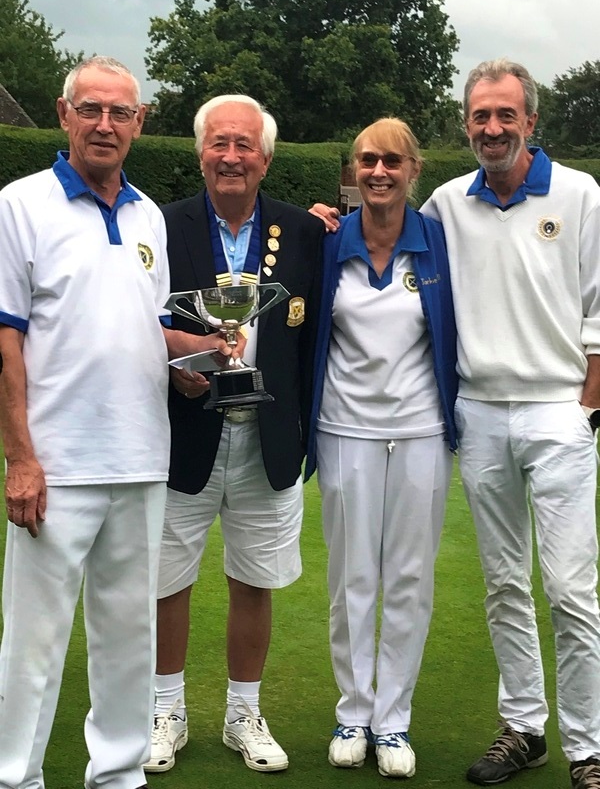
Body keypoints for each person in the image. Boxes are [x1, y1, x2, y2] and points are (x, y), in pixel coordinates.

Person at [312, 57, 600, 789]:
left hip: (557, 408)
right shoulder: (445, 206)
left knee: (568, 587)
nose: (493, 128)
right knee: (505, 584)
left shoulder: (579, 194)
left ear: (530, 120)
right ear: (465, 125)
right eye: (481, 116)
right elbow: (378, 223)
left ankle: (589, 745)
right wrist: (321, 220)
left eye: (507, 115)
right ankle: (525, 728)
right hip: (475, 412)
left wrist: (587, 409)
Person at [0, 55, 231, 789]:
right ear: (65, 114)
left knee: (130, 637)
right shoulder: (19, 205)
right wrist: (21, 458)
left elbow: (149, 325)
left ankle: (120, 777)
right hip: (57, 466)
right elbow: (6, 338)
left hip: (140, 458)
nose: (105, 124)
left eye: (120, 112)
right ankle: (15, 777)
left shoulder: (146, 217)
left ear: (139, 124)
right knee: (31, 644)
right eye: (91, 109)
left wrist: (202, 354)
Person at [143, 94, 323, 775]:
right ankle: (167, 709)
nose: (231, 157)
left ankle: (243, 712)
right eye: (219, 143)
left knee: (256, 579)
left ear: (266, 158)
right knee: (167, 579)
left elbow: (315, 335)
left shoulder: (303, 232)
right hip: (183, 428)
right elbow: (137, 317)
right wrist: (177, 359)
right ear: (200, 153)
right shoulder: (160, 227)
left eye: (244, 145)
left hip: (268, 435)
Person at [304, 118, 457, 779]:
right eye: (367, 160)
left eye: (392, 161)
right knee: (352, 578)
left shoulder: (438, 243)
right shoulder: (328, 240)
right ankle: (354, 711)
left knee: (410, 578)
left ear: (412, 169)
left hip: (422, 430)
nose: (378, 172)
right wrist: (310, 221)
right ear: (353, 169)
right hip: (345, 429)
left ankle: (393, 722)